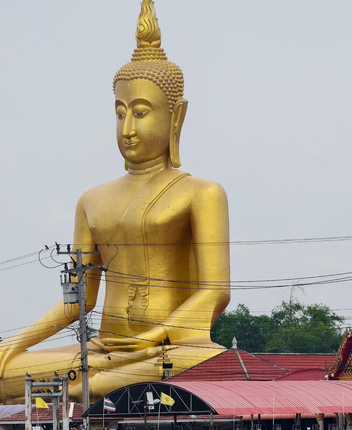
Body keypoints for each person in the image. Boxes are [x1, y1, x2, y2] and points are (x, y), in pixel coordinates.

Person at [0, 0, 230, 401]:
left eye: (141, 113)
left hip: (172, 349)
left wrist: (156, 336)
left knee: (194, 364)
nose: (127, 128)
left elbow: (215, 291)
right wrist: (14, 344)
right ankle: (81, 386)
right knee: (8, 372)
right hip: (101, 352)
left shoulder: (202, 193)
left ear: (176, 117)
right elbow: (78, 302)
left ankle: (76, 389)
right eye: (120, 113)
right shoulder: (91, 200)